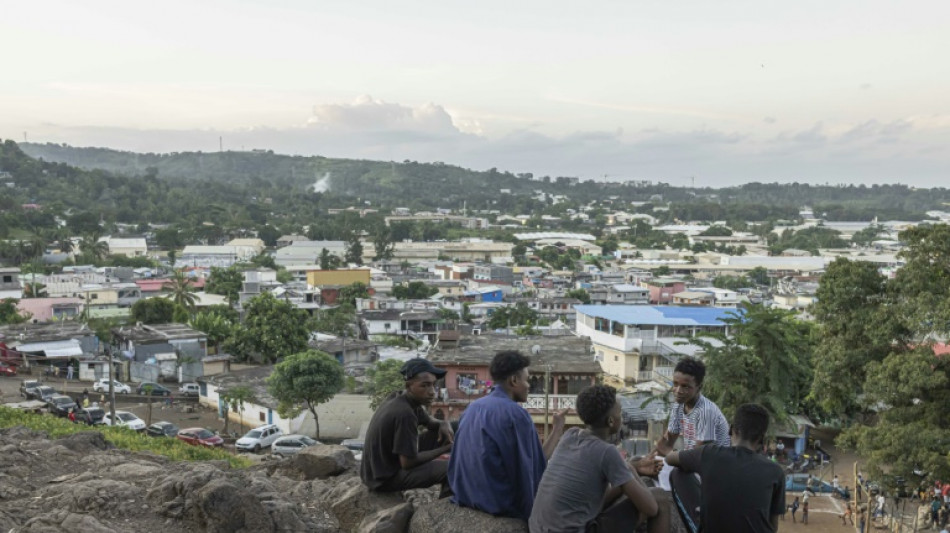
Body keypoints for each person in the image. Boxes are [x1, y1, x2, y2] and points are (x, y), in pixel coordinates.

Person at [448, 350, 566, 520]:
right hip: (497, 502)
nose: (529, 386)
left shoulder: (473, 408)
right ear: (514, 380)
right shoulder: (516, 415)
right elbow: (531, 473)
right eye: (527, 380)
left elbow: (535, 460)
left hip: (466, 495)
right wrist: (531, 517)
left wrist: (556, 430)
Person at [529, 385, 660, 532]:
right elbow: (651, 509)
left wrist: (630, 468)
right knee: (660, 498)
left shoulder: (570, 435)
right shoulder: (607, 452)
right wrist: (631, 470)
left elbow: (593, 495)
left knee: (622, 482)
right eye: (620, 413)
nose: (622, 417)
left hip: (537, 528)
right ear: (611, 421)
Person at [665, 403, 786, 533]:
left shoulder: (709, 453)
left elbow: (669, 458)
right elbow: (773, 526)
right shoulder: (776, 471)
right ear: (762, 439)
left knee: (678, 473)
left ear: (731, 429)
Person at [360, 358, 454, 493]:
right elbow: (408, 463)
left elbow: (431, 423)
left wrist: (445, 423)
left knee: (454, 427)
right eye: (425, 385)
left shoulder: (401, 398)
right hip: (383, 479)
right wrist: (446, 448)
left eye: (433, 385)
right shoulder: (405, 414)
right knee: (453, 467)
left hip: (384, 465)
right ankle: (443, 509)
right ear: (408, 386)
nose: (432, 391)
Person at [654, 357, 730, 456]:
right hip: (692, 461)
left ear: (699, 387)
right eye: (675, 384)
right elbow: (666, 442)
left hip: (714, 465)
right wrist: (650, 459)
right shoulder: (678, 406)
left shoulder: (705, 411)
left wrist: (673, 456)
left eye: (685, 386)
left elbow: (700, 455)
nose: (678, 390)